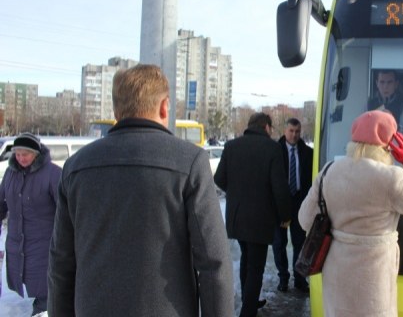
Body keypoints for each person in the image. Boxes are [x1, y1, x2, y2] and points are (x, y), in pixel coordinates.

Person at [47, 64, 234, 316]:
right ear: (165, 106)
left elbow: (61, 264)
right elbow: (214, 264)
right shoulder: (190, 162)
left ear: (116, 109)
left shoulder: (75, 168)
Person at [298, 110, 403, 317]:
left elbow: (305, 220)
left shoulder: (329, 171)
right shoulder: (391, 178)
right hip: (374, 279)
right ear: (389, 144)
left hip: (337, 275)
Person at [214, 112, 291, 317]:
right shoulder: (272, 148)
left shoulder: (231, 146)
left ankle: (249, 301)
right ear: (266, 127)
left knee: (247, 259)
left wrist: (237, 192)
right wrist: (286, 215)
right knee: (256, 266)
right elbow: (280, 188)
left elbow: (219, 178)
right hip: (261, 218)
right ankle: (248, 311)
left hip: (237, 217)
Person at [0, 133, 61, 316]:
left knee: (46, 284)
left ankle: (43, 311)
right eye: (17, 154)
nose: (21, 158)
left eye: (25, 154)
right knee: (28, 278)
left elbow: (65, 209)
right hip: (17, 243)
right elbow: (1, 203)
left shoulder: (53, 173)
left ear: (36, 153)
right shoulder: (11, 174)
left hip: (44, 244)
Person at [273, 118, 313, 293]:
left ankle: (299, 278)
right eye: (291, 131)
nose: (294, 135)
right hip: (280, 203)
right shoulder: (274, 151)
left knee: (300, 243)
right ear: (285, 131)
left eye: (297, 131)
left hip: (299, 202)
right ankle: (283, 278)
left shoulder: (307, 152)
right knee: (279, 243)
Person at [367, 69, 403, 135]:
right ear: (377, 84)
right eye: (382, 82)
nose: (385, 86)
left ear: (396, 84)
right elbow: (364, 130)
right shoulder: (369, 104)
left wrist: (390, 121)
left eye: (389, 82)